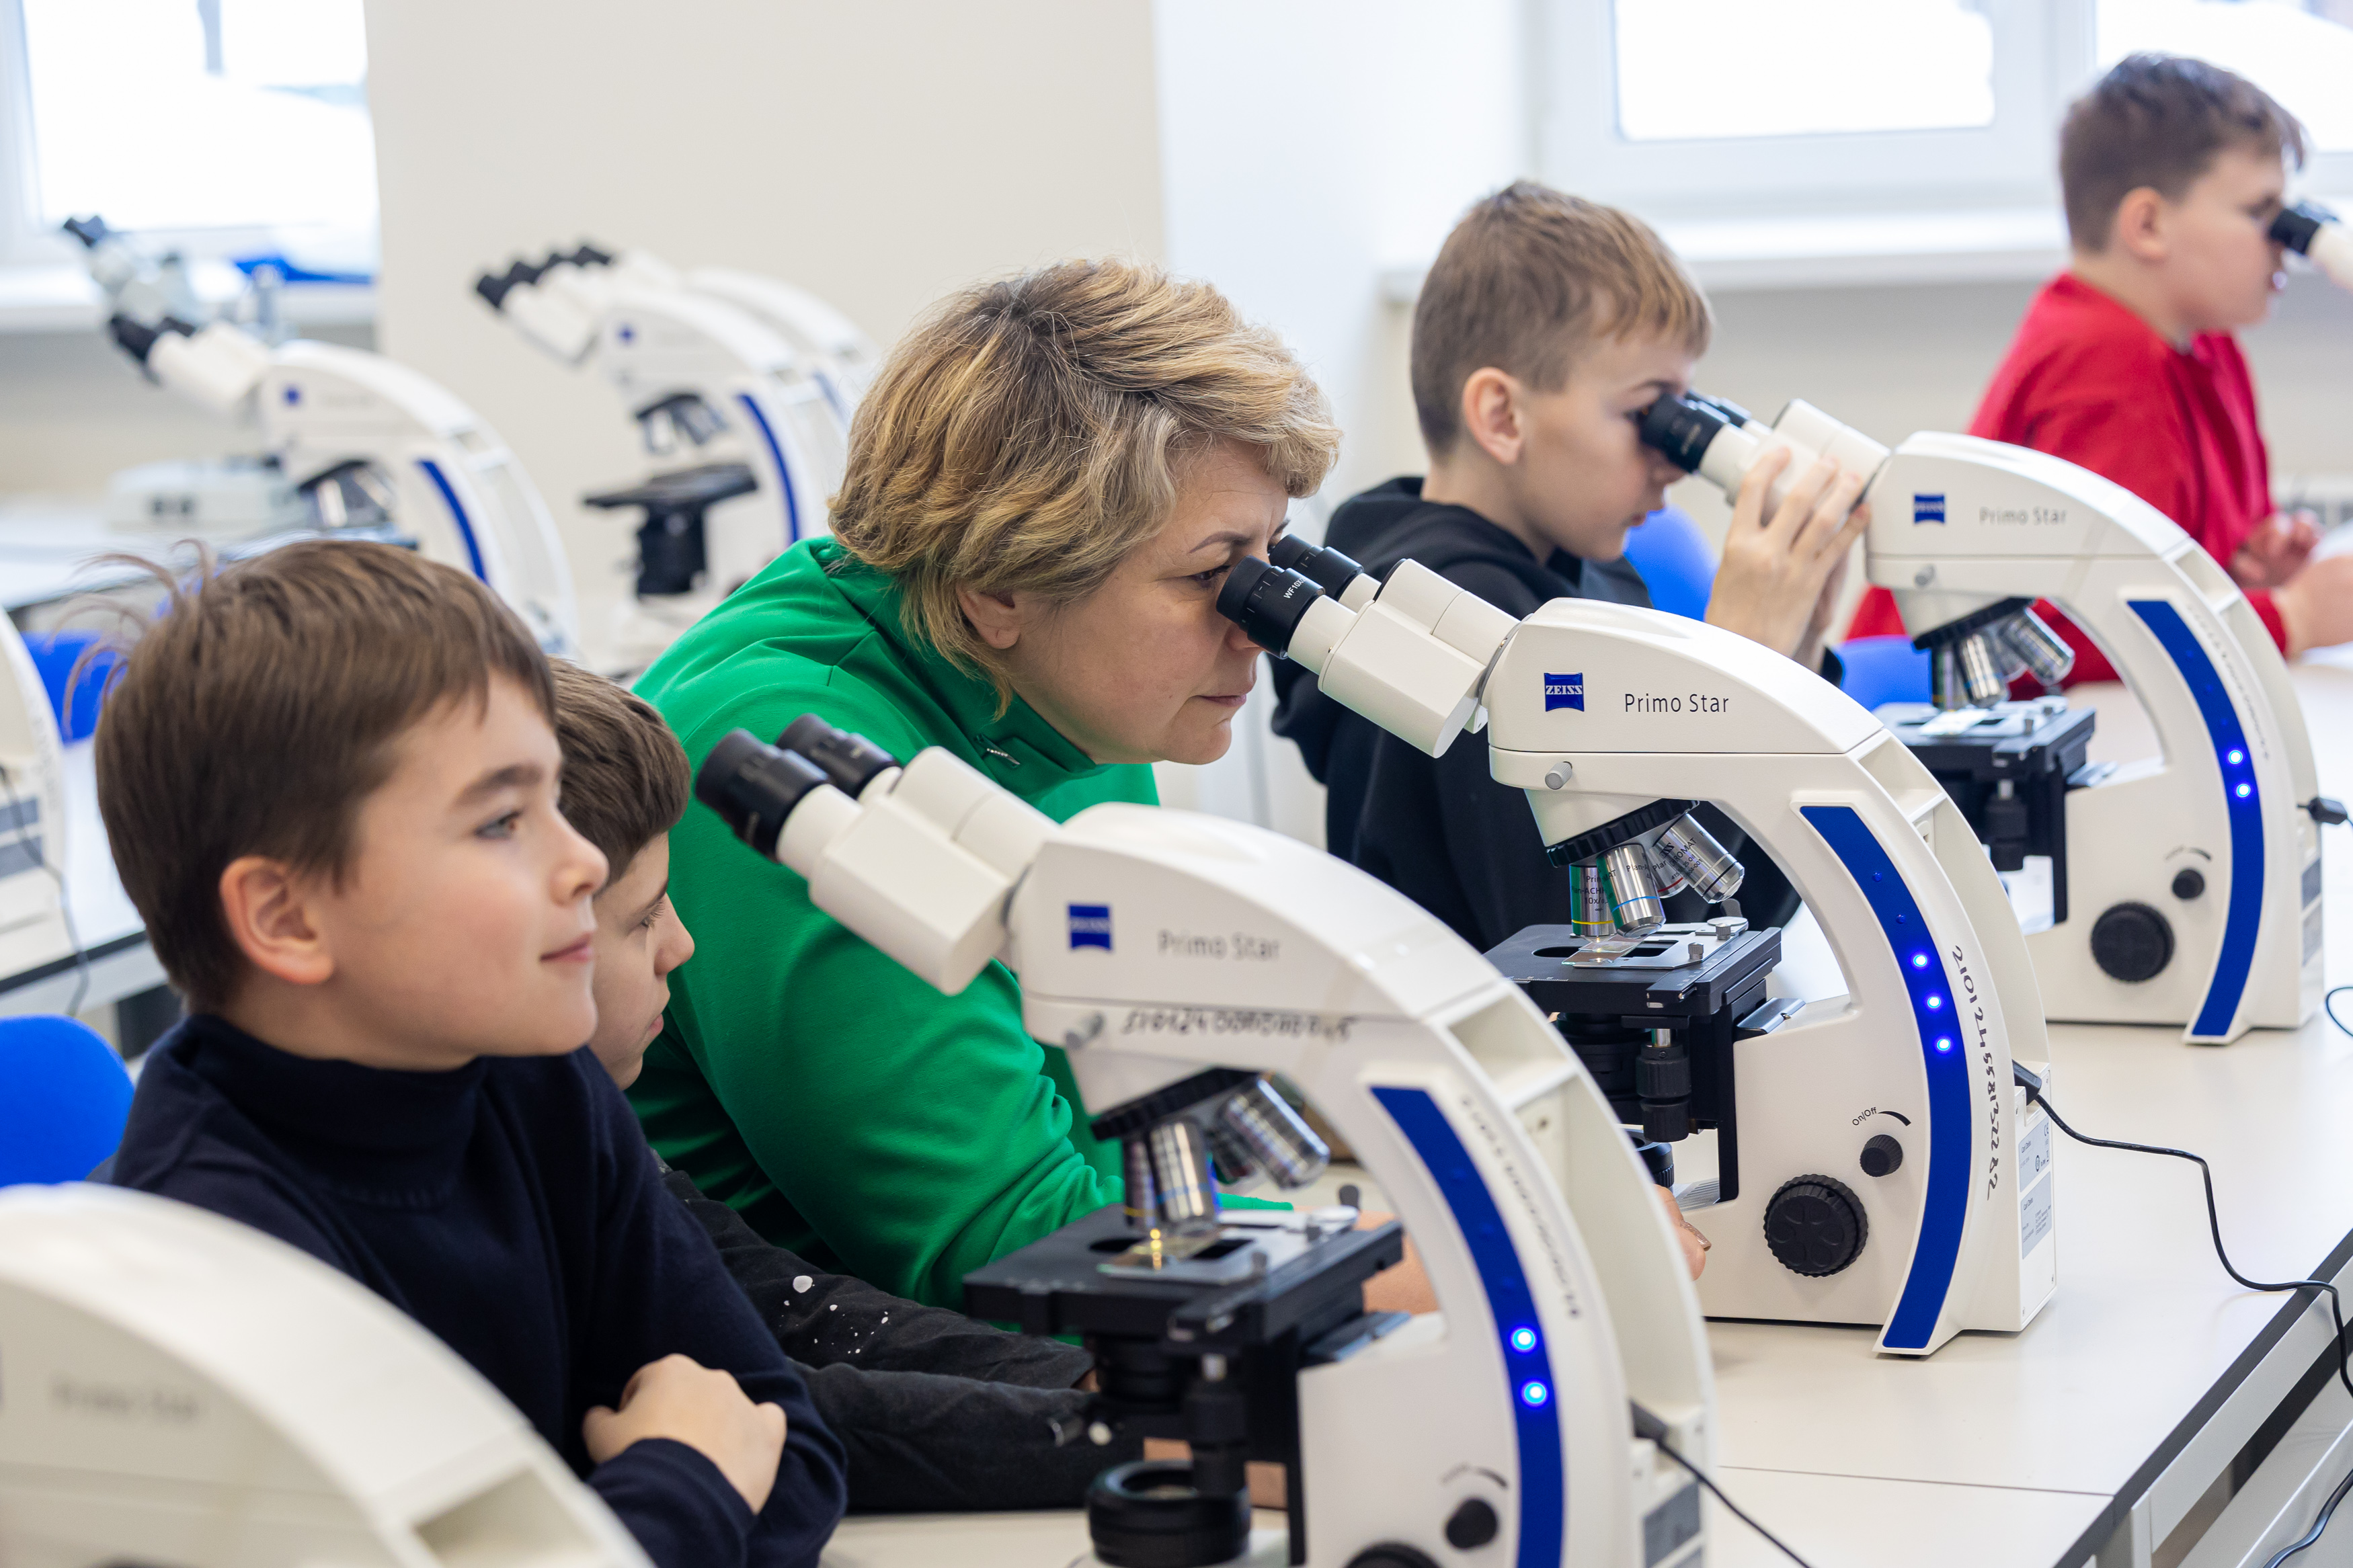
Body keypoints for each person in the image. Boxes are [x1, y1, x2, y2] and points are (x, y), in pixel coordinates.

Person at [634, 259, 1367, 1307]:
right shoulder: (793, 764)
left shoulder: (1062, 696)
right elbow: (1017, 1254)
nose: (1261, 624)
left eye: (1270, 560)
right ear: (998, 586)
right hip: (876, 1376)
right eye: (1214, 574)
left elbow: (1156, 1095)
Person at [99, 541, 847, 1568]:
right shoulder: (223, 1251)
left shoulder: (536, 1082)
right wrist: (683, 1481)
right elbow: (722, 1459)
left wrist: (654, 1503)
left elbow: (783, 1443)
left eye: (553, 800)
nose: (582, 860)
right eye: (502, 820)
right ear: (286, 917)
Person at [550, 659, 1156, 1513]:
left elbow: (788, 1308)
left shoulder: (569, 1127)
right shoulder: (513, 1155)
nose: (681, 946)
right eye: (644, 914)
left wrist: (1106, 1398)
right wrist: (1141, 1432)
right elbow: (781, 1402)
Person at [1271, 182, 1868, 958]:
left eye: (1683, 416)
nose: (1672, 460)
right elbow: (1611, 960)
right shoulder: (1449, 627)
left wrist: (1795, 658)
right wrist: (1734, 661)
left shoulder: (1598, 580)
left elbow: (1737, 905)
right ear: (1502, 416)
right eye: (1646, 413)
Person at [1847, 53, 2353, 675]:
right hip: (1923, 698)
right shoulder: (2106, 367)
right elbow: (2091, 634)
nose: (2286, 243)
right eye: (2259, 212)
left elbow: (2166, 576)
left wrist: (2247, 574)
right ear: (2148, 225)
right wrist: (2291, 618)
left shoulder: (2205, 346)